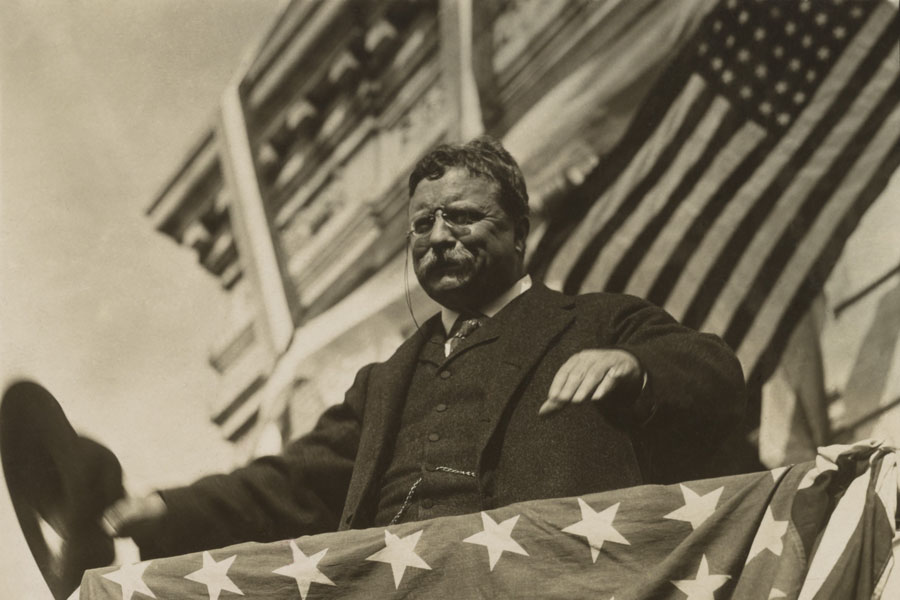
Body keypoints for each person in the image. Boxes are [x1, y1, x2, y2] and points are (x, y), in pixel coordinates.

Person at [104, 136, 746, 559]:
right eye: (422, 224)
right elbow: (290, 483)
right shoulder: (384, 382)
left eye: (462, 217)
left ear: (519, 233)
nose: (438, 237)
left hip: (551, 579)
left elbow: (714, 371)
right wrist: (165, 508)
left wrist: (634, 368)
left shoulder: (598, 321)